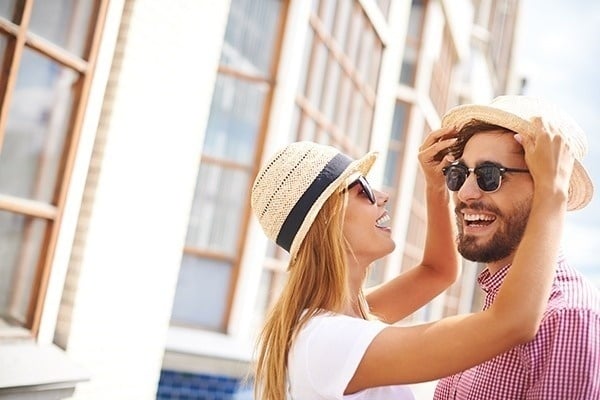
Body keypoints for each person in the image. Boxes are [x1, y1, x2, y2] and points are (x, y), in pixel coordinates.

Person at [250, 111, 573, 400]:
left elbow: (439, 272)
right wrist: (551, 192)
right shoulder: (326, 341)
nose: (381, 196)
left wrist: (435, 188)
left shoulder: (345, 316)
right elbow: (511, 324)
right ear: (329, 220)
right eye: (362, 189)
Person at [433, 95, 600, 400]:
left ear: (547, 185)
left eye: (489, 176)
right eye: (458, 175)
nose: (465, 194)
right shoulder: (493, 306)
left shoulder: (566, 316)